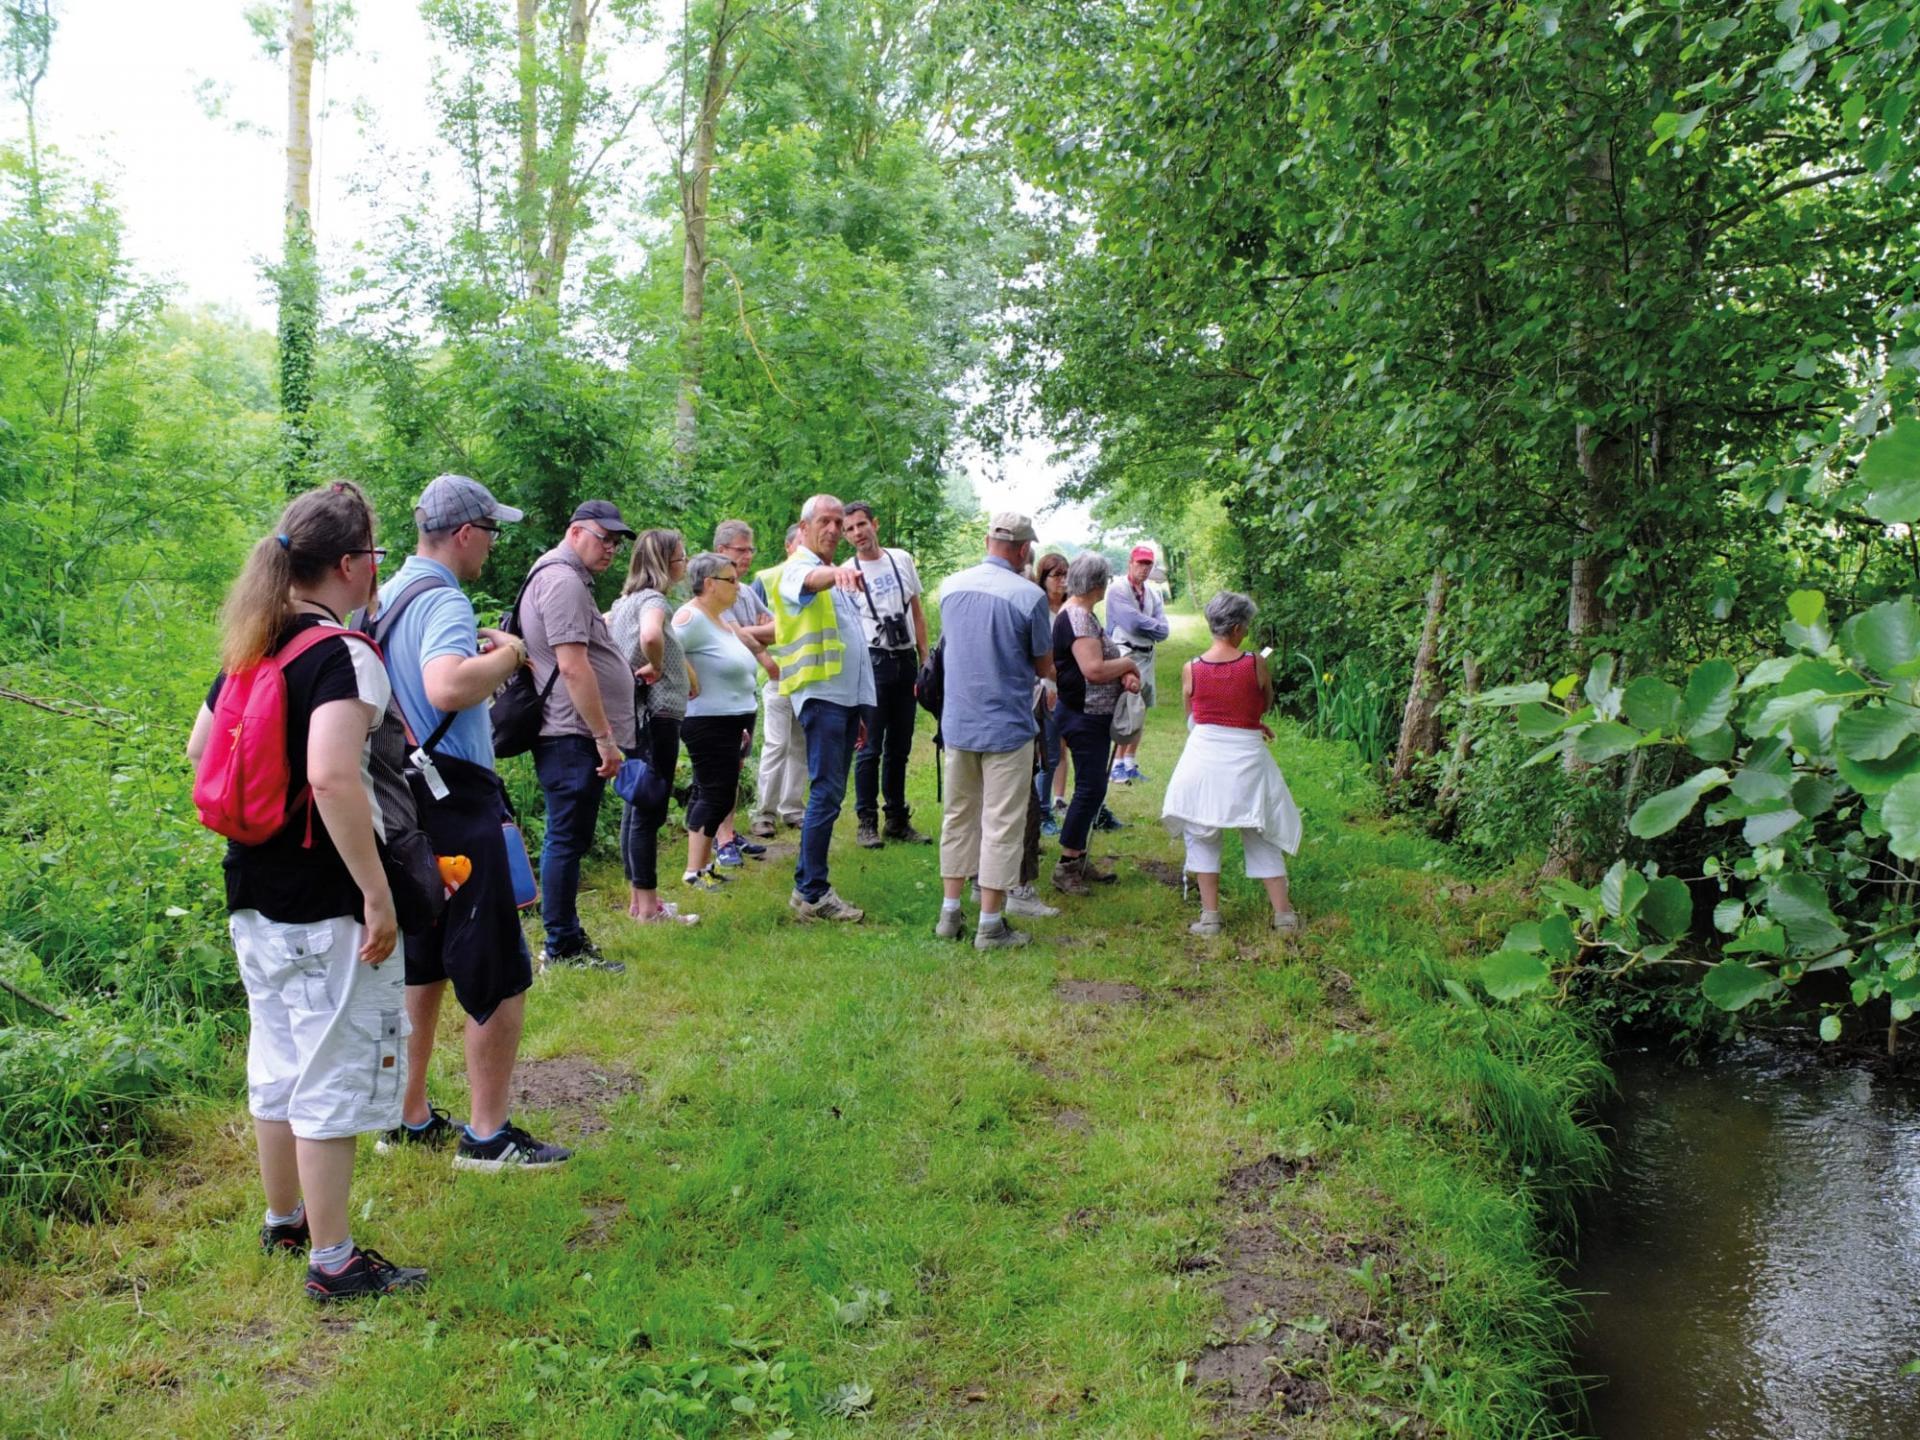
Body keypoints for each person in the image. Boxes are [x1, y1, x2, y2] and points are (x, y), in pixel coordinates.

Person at [186, 480, 427, 1301]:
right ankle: (334, 1262)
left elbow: (198, 751)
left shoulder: (253, 645)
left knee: (278, 1060)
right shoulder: (341, 655)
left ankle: (283, 1219)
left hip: (252, 890)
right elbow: (331, 776)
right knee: (328, 1069)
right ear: (355, 566)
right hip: (327, 900)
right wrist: (377, 894)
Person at [370, 474, 572, 1170]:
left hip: (403, 803)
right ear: (464, 534)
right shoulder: (446, 599)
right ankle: (488, 1137)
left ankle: (408, 1114)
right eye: (490, 531)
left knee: (421, 963)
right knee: (495, 961)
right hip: (456, 799)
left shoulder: (389, 593)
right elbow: (448, 685)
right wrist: (510, 655)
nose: (493, 544)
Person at [518, 500, 638, 969]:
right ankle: (562, 945)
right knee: (566, 839)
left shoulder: (564, 577)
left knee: (569, 837)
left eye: (615, 541)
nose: (610, 548)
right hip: (570, 733)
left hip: (571, 732)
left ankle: (565, 937)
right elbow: (571, 665)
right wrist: (604, 737)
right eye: (602, 537)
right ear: (574, 532)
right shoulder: (563, 579)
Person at [933, 514, 1057, 948]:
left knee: (958, 817)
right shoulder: (1029, 597)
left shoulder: (949, 587)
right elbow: (1043, 664)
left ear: (987, 541)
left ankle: (949, 913)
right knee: (1001, 822)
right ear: (1024, 550)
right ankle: (990, 924)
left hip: (958, 722)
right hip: (1007, 725)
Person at [1162, 592, 1302, 934]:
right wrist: (1250, 720)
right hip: (1246, 758)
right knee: (1261, 828)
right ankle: (1284, 916)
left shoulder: (1190, 669)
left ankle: (1210, 917)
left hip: (1204, 757)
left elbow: (1194, 717)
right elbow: (1263, 702)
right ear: (1237, 628)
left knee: (1202, 829)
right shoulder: (1255, 663)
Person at [772, 494, 876, 922]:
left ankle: (806, 889)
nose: (834, 529)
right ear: (805, 527)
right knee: (827, 794)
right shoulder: (799, 566)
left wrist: (861, 706)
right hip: (823, 697)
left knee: (830, 794)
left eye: (839, 521)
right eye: (826, 522)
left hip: (844, 699)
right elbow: (809, 581)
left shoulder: (834, 574)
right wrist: (836, 573)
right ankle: (813, 892)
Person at [675, 553, 779, 894]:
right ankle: (693, 872)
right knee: (714, 793)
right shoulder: (690, 617)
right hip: (708, 719)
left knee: (719, 793)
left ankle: (705, 867)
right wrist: (690, 675)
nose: (738, 587)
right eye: (730, 581)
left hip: (734, 716)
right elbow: (663, 646)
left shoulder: (719, 618)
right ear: (709, 584)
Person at [607, 530, 695, 924]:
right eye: (681, 557)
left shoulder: (622, 602)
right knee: (649, 806)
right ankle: (648, 908)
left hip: (633, 713)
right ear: (664, 562)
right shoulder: (653, 601)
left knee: (636, 799)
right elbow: (650, 634)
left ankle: (637, 899)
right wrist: (657, 666)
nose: (686, 563)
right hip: (656, 713)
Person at [1052, 552, 1140, 896]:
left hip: (1088, 713)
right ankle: (1067, 865)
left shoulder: (1079, 613)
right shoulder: (1078, 617)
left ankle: (1079, 858)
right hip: (1083, 715)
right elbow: (1094, 669)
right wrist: (1129, 663)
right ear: (1097, 584)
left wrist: (1126, 675)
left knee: (1094, 788)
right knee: (1090, 789)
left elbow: (1100, 666)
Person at [844, 501, 931, 849]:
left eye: (861, 525)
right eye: (849, 529)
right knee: (870, 747)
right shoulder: (845, 571)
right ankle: (866, 821)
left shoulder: (900, 559)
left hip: (905, 657)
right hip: (872, 660)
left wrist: (925, 658)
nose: (857, 534)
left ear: (875, 524)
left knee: (900, 746)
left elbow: (918, 612)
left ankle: (897, 818)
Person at [710, 519, 774, 866]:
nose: (748, 555)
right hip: (717, 696)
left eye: (750, 549)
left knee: (736, 765)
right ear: (721, 551)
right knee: (720, 767)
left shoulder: (746, 591)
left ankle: (729, 832)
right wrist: (750, 633)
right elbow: (730, 635)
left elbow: (776, 630)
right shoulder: (711, 590)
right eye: (741, 550)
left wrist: (744, 632)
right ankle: (719, 840)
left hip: (744, 692)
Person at [748, 524, 808, 840]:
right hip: (777, 677)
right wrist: (768, 663)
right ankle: (764, 813)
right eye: (799, 544)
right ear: (788, 546)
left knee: (801, 746)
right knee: (777, 743)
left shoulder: (818, 579)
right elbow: (745, 629)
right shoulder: (766, 579)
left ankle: (793, 809)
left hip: (808, 678)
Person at [1106, 544, 1169, 784]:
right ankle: (1117, 765)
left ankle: (1130, 761)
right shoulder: (1117, 589)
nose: (1144, 568)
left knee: (1141, 709)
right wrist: (1153, 626)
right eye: (1140, 563)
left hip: (1147, 654)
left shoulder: (1153, 593)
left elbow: (1164, 630)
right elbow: (1131, 624)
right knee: (1127, 708)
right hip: (1126, 653)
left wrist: (1151, 627)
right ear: (1130, 563)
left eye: (1148, 564)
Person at [1033, 551, 1070, 835]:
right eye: (1056, 575)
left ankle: (1058, 801)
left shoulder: (1071, 610)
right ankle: (1042, 812)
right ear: (1043, 578)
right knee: (1048, 753)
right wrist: (1050, 685)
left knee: (1063, 749)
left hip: (1070, 688)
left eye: (1066, 574)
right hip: (1047, 689)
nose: (1062, 581)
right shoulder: (1038, 609)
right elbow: (1039, 657)